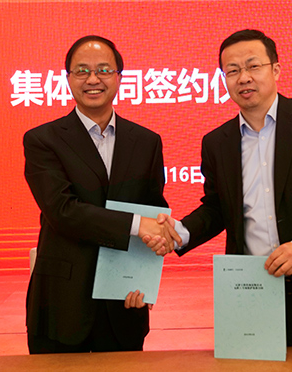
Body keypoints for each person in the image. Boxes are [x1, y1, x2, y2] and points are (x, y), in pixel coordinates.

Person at [156, 29, 292, 346]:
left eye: (253, 66)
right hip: (252, 290)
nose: (243, 77)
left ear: (275, 70)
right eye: (232, 70)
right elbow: (217, 207)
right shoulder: (217, 142)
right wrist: (179, 232)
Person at [23, 35, 179, 354]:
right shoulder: (42, 140)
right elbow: (63, 211)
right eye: (82, 70)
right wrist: (138, 225)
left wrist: (145, 278)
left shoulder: (146, 141)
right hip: (62, 305)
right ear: (68, 78)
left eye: (104, 70)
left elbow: (153, 210)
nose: (93, 79)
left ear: (119, 77)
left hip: (125, 301)